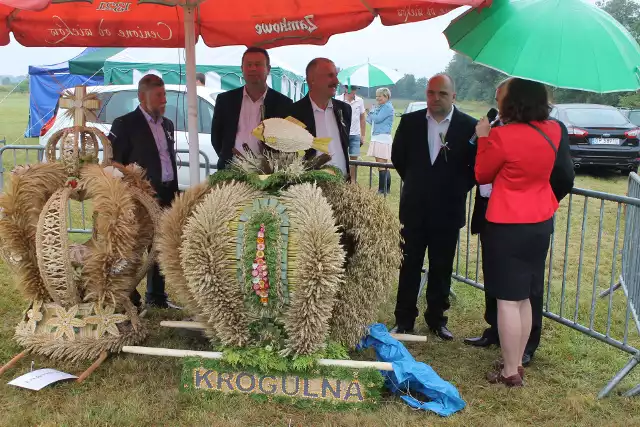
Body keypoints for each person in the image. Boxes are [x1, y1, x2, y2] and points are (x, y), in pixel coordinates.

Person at [466, 78, 575, 369]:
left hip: (507, 224)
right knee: (525, 298)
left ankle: (510, 370)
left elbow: (482, 174)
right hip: (540, 221)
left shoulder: (504, 136)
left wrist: (485, 137)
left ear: (513, 102)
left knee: (507, 301)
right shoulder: (553, 129)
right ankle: (517, 362)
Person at [391, 73, 477, 339]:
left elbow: (474, 167)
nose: (435, 98)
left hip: (448, 211)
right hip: (414, 209)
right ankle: (404, 319)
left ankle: (437, 319)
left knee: (441, 267)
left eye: (442, 93)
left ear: (453, 96)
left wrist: (452, 188)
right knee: (408, 265)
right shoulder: (410, 122)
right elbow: (399, 158)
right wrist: (419, 183)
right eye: (431, 93)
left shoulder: (468, 126)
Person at [109, 74, 180, 309]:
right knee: (134, 245)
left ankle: (157, 296)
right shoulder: (125, 124)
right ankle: (129, 295)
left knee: (161, 244)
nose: (164, 99)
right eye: (159, 95)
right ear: (142, 96)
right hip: (139, 197)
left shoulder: (167, 124)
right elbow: (114, 163)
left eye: (165, 94)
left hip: (166, 192)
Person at [211, 47, 293, 170]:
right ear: (242, 69)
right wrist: (227, 156)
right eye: (248, 65)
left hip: (267, 173)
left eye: (258, 64)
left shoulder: (283, 104)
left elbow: (287, 142)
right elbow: (216, 136)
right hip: (231, 169)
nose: (253, 68)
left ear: (268, 69)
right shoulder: (225, 100)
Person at [287, 58, 351, 180]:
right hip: (309, 190)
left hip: (342, 188)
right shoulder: (293, 112)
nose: (336, 81)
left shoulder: (345, 110)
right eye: (330, 76)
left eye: (336, 75)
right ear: (312, 80)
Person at [366, 87, 395, 194]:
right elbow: (371, 120)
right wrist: (370, 112)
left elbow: (377, 119)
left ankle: (382, 189)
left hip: (381, 138)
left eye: (380, 96)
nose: (377, 98)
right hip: (378, 137)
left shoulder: (387, 107)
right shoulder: (381, 107)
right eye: (376, 96)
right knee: (383, 164)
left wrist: (370, 112)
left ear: (386, 96)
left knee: (381, 165)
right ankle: (386, 189)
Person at [335, 84, 366, 182]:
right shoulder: (338, 99)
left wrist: (363, 135)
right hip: (341, 133)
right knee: (341, 158)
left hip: (355, 134)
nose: (353, 91)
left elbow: (362, 118)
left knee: (354, 159)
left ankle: (353, 182)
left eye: (355, 88)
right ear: (345, 88)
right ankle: (341, 179)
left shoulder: (360, 100)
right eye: (352, 88)